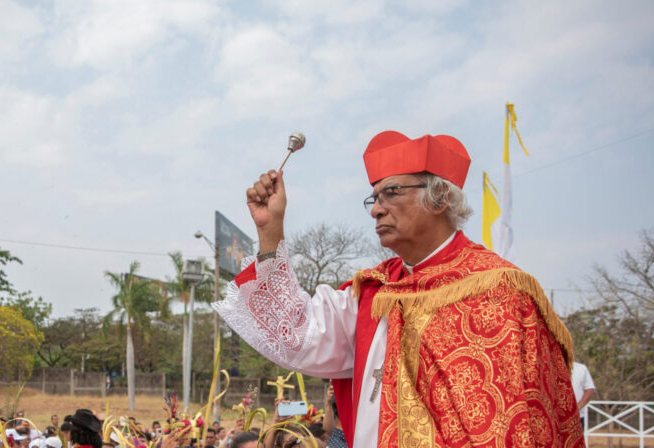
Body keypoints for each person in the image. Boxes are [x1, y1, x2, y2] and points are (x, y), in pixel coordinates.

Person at [214, 130, 583, 447]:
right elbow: (296, 334)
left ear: (440, 198)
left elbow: (523, 424)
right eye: (374, 198)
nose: (376, 210)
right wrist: (271, 231)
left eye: (390, 193)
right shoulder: (373, 293)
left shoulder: (500, 290)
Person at [571, 362, 597, 428]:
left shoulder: (581, 368)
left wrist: (579, 406)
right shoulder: (548, 367)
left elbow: (589, 388)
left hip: (577, 417)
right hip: (553, 418)